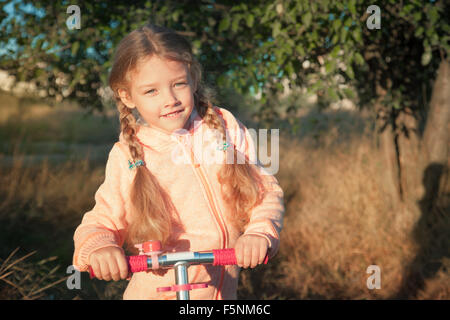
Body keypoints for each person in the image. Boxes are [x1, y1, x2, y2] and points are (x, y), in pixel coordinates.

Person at [72, 23, 284, 300]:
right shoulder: (128, 155)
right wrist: (100, 248)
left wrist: (259, 233)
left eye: (178, 84)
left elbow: (265, 190)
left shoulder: (225, 126)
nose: (170, 100)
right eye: (151, 91)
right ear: (127, 96)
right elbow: (102, 221)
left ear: (193, 79)